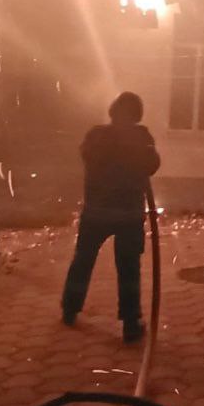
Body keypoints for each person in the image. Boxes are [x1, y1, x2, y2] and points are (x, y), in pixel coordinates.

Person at [61, 91, 160, 343]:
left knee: (83, 261)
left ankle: (70, 309)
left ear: (113, 111)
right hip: (128, 215)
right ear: (137, 115)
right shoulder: (141, 136)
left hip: (96, 213)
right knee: (128, 269)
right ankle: (130, 323)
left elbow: (86, 155)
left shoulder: (96, 135)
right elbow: (152, 165)